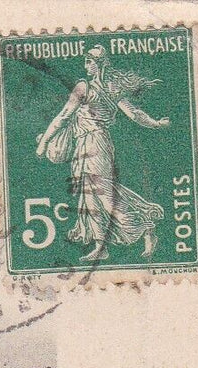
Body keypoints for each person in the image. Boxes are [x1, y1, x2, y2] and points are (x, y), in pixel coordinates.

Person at [35, 46, 169, 262]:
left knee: (104, 194)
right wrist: (156, 124)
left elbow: (63, 116)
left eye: (89, 62)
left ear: (98, 64)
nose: (85, 66)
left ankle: (145, 226)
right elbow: (134, 114)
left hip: (96, 144)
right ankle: (100, 246)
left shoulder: (87, 87)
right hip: (84, 143)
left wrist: (44, 143)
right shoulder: (109, 88)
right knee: (89, 196)